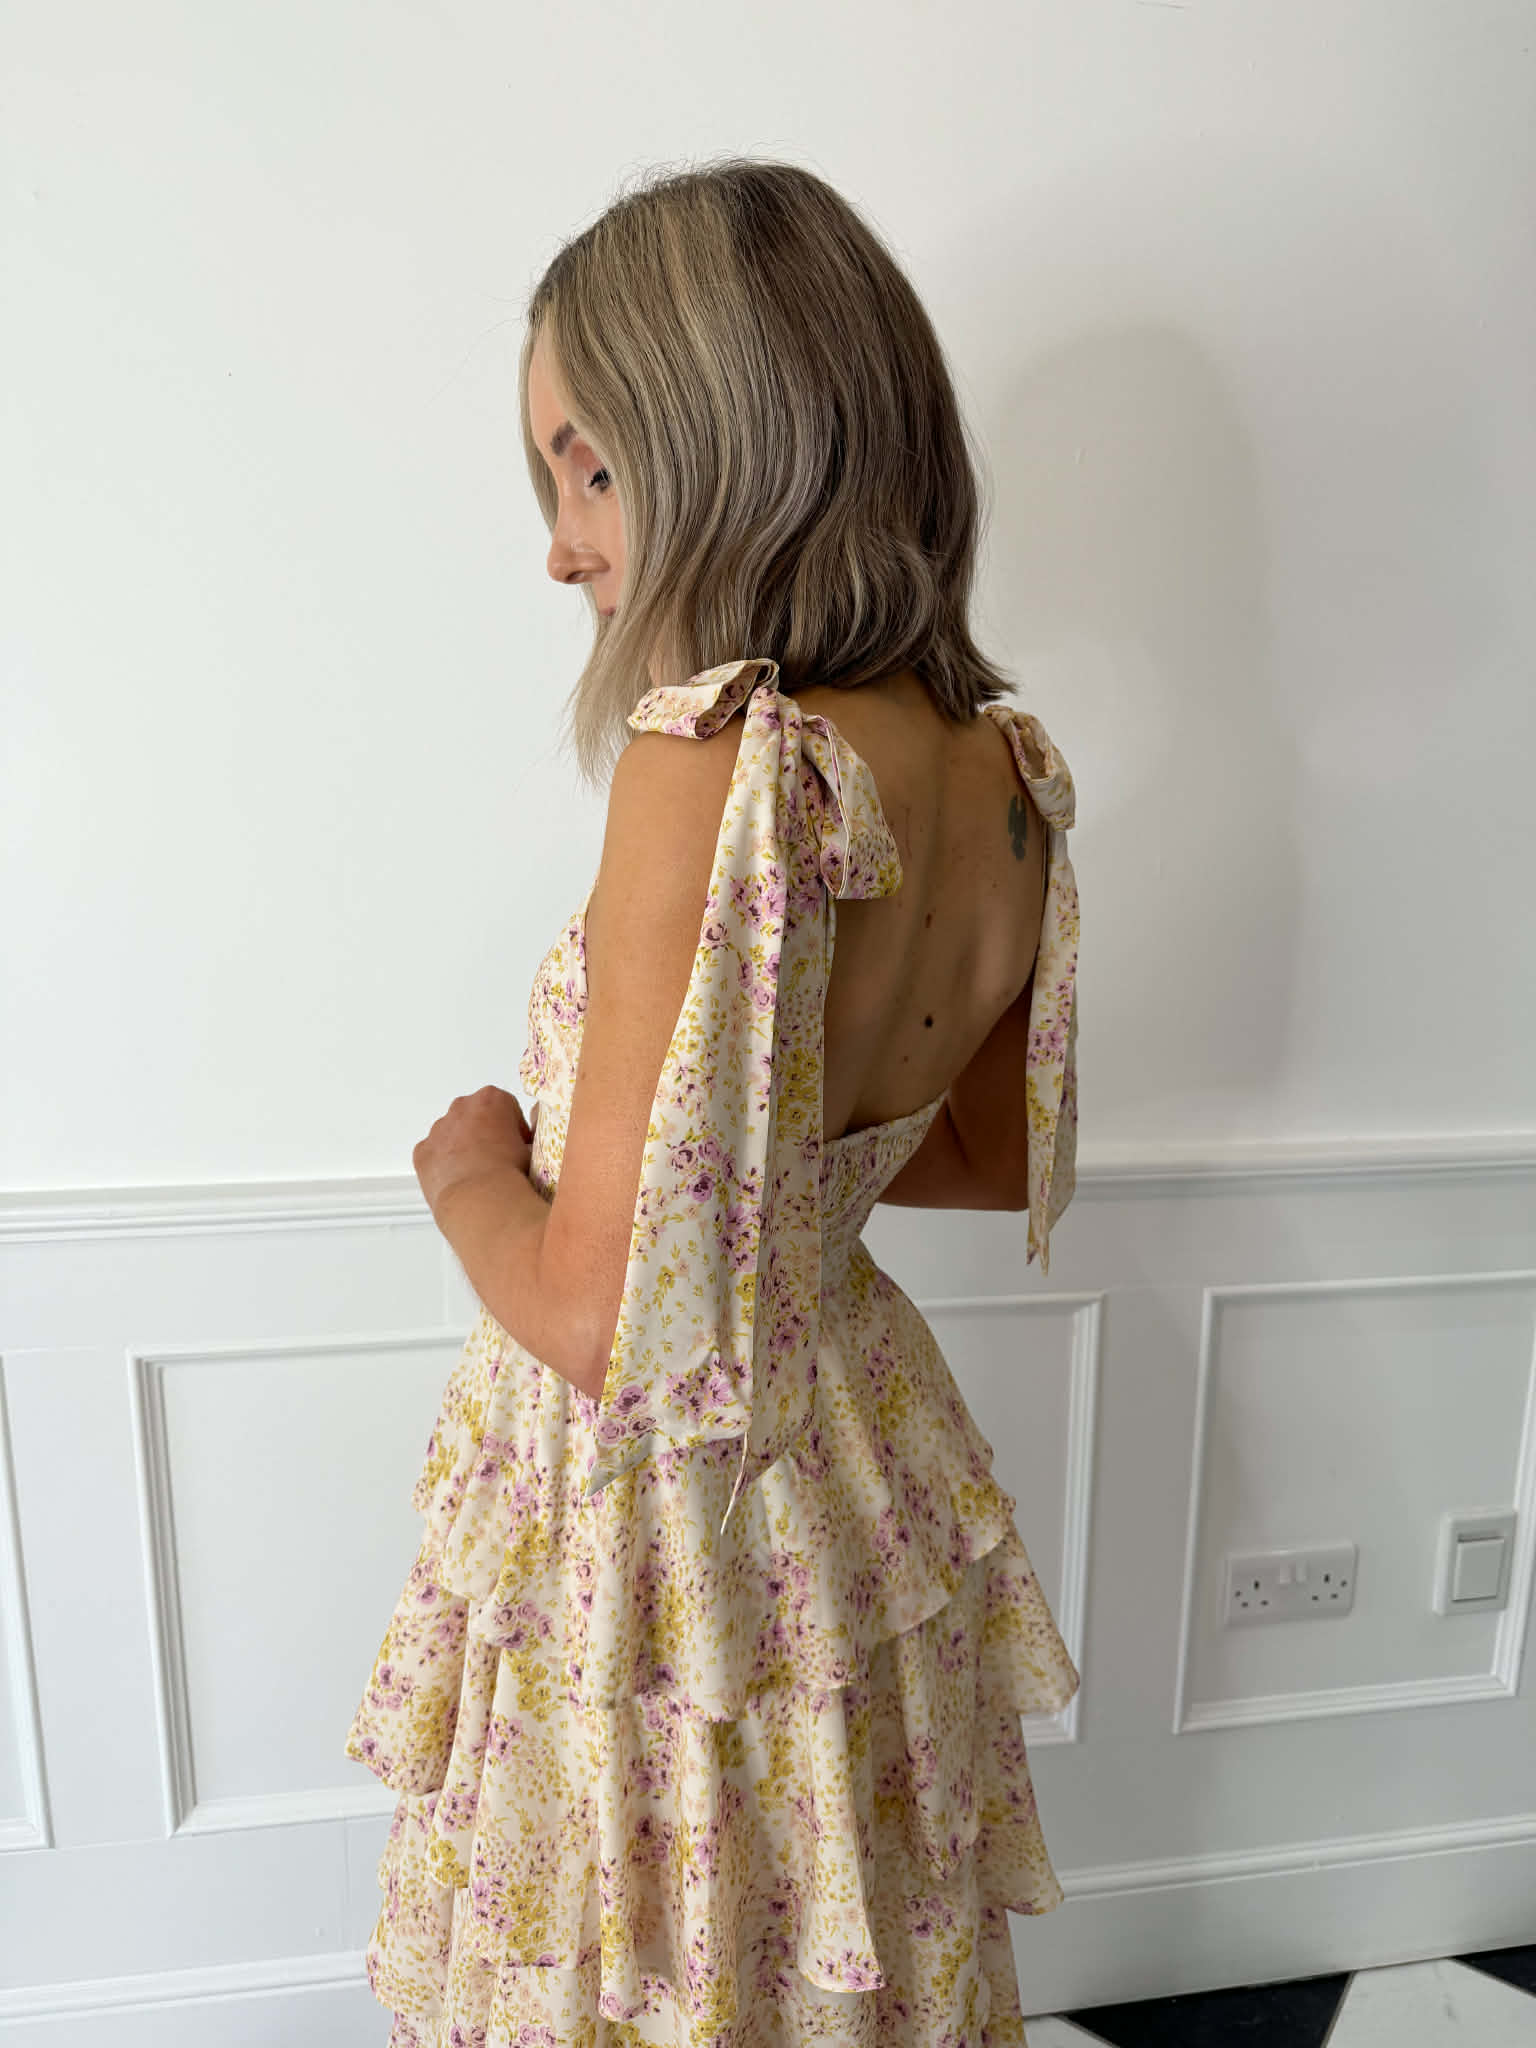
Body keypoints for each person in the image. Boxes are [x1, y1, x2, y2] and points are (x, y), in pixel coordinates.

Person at [345, 156, 1082, 2048]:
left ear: (733, 440)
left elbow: (607, 1320)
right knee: (813, 1923)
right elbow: (972, 1157)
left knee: (645, 1951)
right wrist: (775, 1193)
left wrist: (470, 1172)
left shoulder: (715, 764)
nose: (563, 545)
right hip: (845, 1458)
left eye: (590, 468)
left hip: (661, 1509)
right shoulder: (1004, 776)